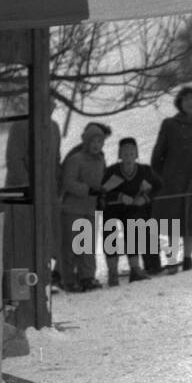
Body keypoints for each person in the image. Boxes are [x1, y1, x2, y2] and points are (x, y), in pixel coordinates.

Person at [151, 86, 192, 273]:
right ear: (180, 103)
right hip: (173, 181)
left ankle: (188, 259)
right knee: (173, 224)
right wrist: (157, 179)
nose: (191, 102)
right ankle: (172, 260)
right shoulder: (170, 124)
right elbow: (158, 154)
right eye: (186, 99)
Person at [101, 137, 163, 284]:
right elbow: (102, 192)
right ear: (119, 155)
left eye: (131, 154)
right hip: (112, 209)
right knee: (110, 234)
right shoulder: (112, 171)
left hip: (131, 209)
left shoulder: (144, 171)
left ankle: (135, 269)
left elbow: (159, 186)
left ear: (136, 155)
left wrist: (145, 198)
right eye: (125, 154)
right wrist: (120, 196)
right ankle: (112, 272)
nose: (128, 158)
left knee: (133, 231)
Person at [58, 123, 107, 292]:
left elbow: (100, 181)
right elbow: (68, 182)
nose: (96, 145)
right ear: (86, 141)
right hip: (72, 208)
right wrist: (87, 190)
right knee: (72, 245)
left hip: (90, 208)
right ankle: (68, 279)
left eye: (99, 141)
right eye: (93, 141)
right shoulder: (76, 159)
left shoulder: (101, 161)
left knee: (88, 245)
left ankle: (87, 276)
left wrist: (101, 193)